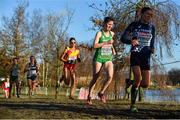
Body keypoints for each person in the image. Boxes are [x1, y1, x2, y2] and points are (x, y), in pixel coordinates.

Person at [121, 7, 155, 112]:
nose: (149, 16)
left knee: (145, 84)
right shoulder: (134, 25)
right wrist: (131, 40)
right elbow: (123, 38)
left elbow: (153, 40)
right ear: (142, 14)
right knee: (138, 77)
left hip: (146, 56)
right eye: (147, 14)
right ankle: (133, 105)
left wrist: (152, 48)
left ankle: (130, 82)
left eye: (151, 15)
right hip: (136, 54)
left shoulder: (152, 27)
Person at [87, 17, 116, 105]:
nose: (110, 26)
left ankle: (101, 93)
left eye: (111, 25)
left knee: (110, 77)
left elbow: (110, 43)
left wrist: (113, 49)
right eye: (108, 24)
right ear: (104, 24)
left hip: (108, 58)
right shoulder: (99, 33)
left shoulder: (112, 33)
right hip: (99, 57)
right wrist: (105, 43)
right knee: (95, 78)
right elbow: (95, 45)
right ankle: (89, 96)